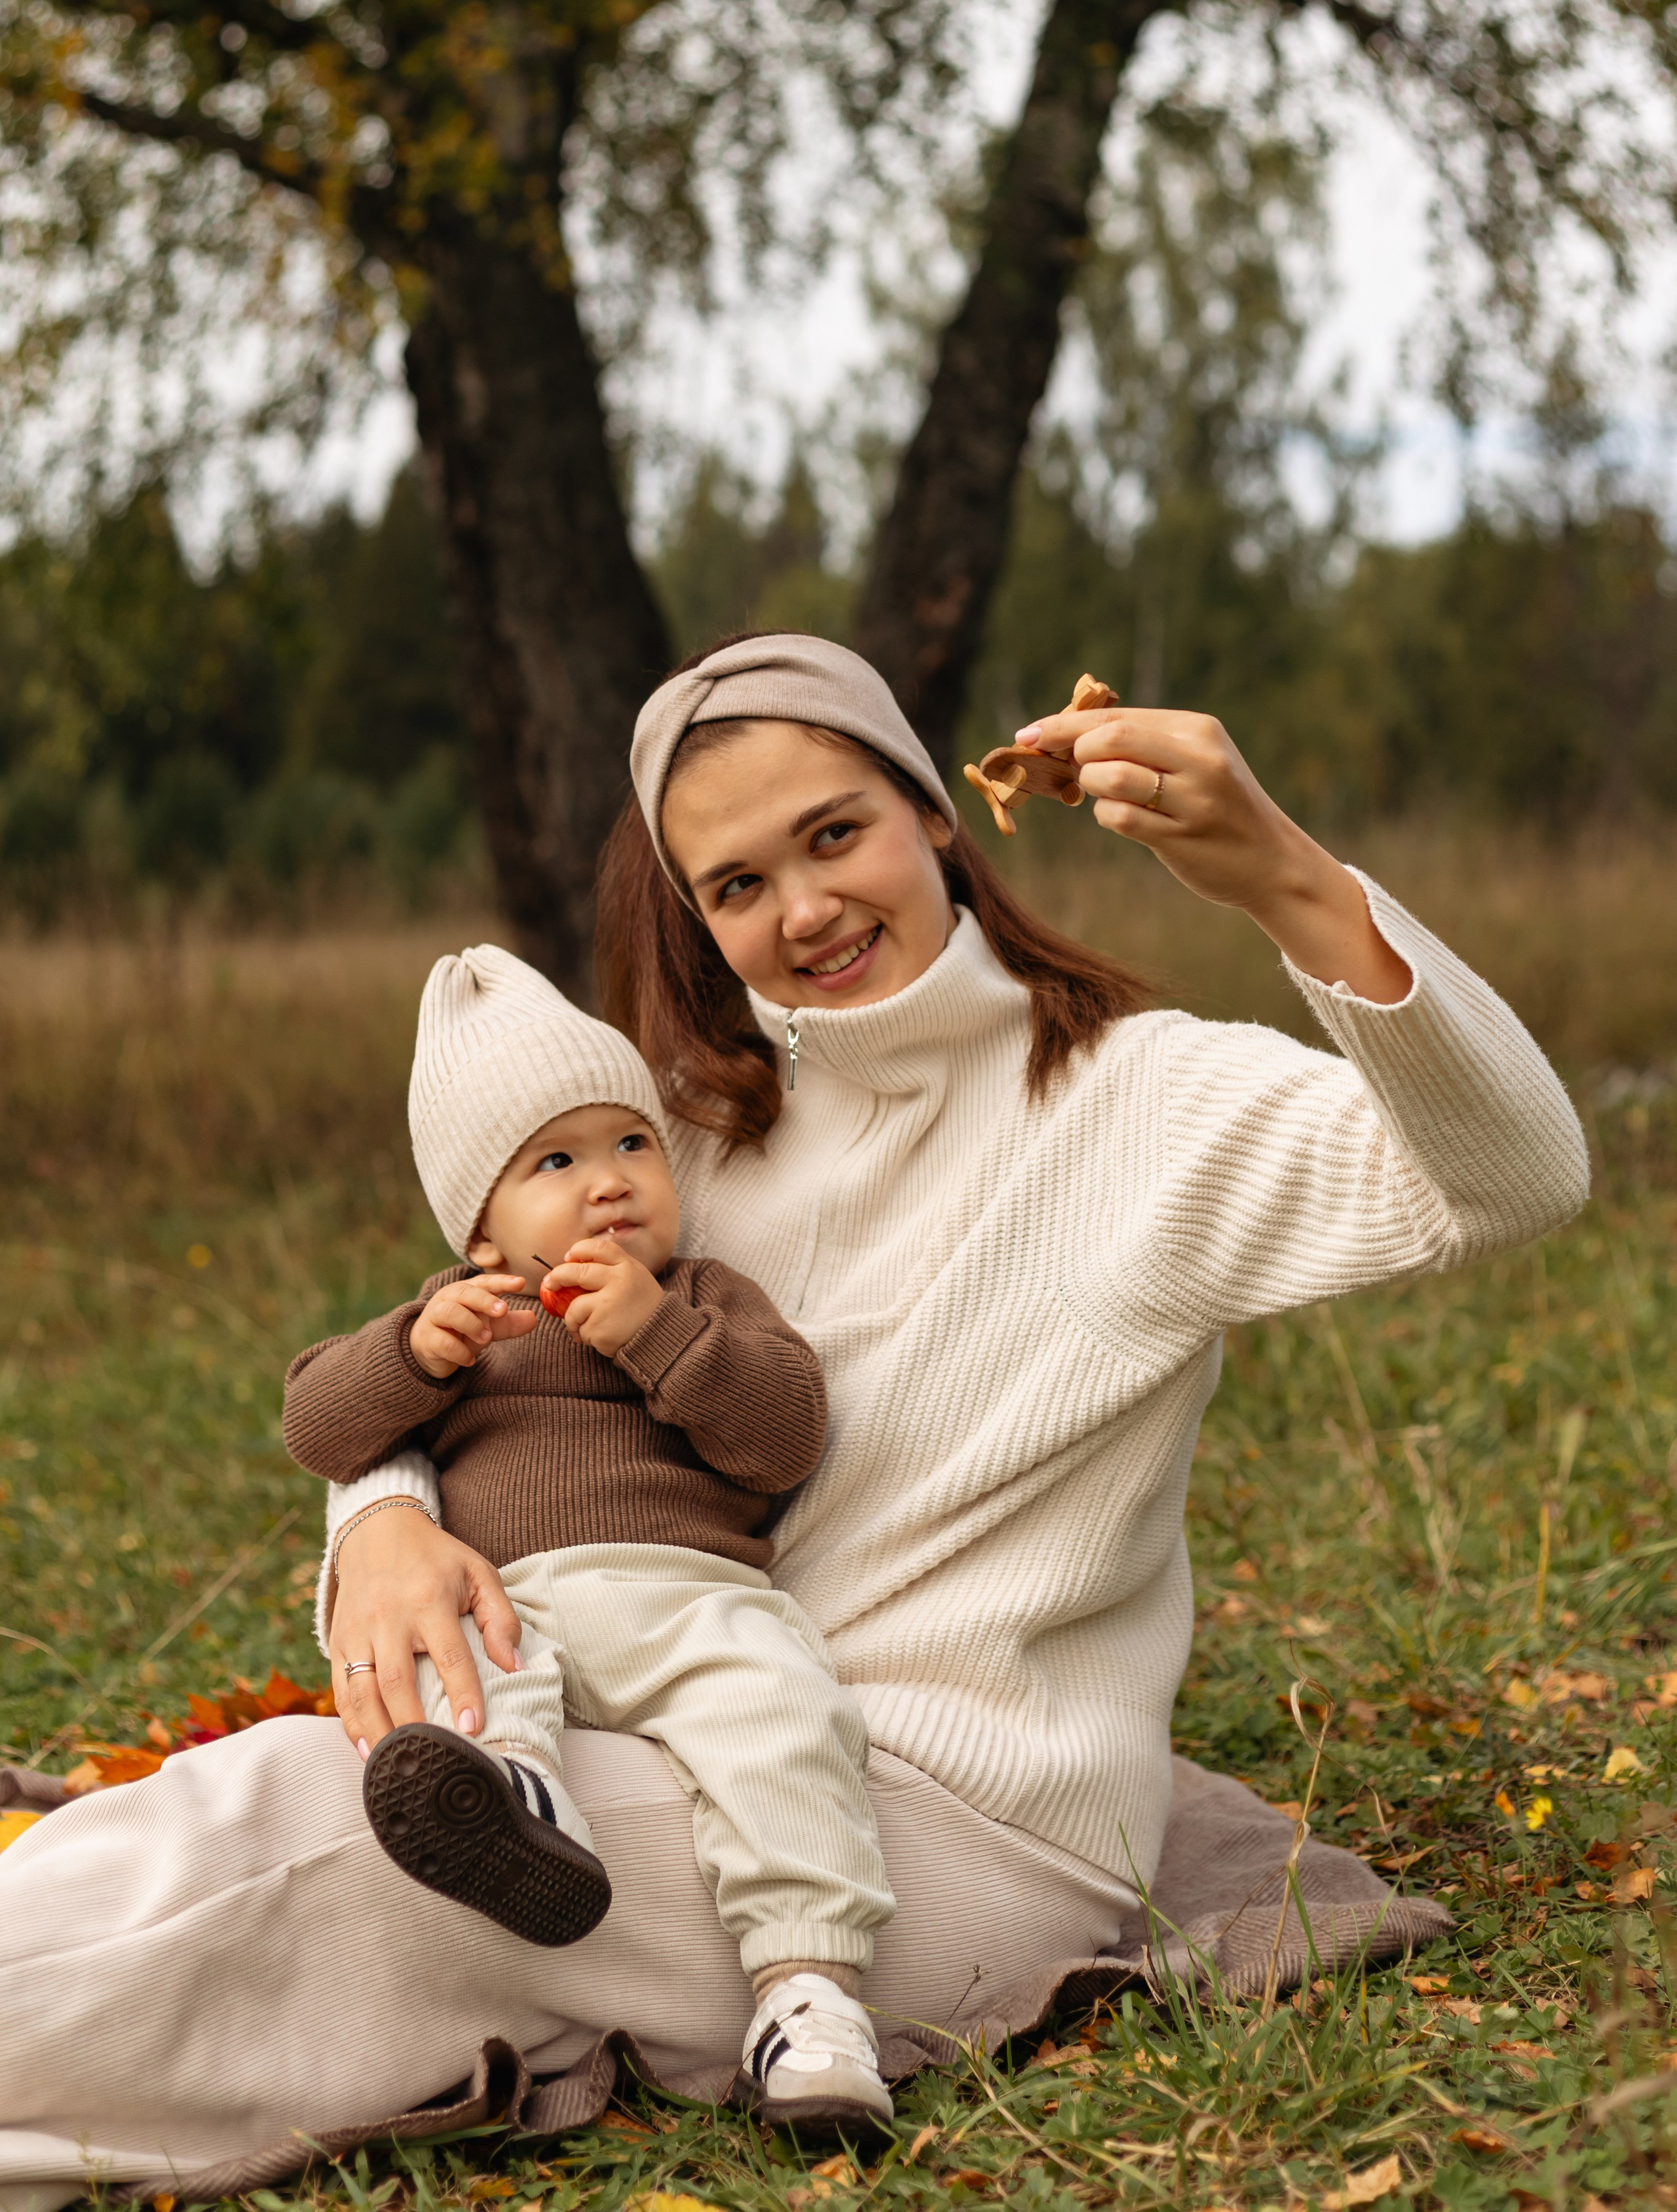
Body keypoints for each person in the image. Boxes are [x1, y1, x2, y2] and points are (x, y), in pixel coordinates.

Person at [0, 634, 1589, 2210]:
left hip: (948, 1831)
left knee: (313, 1835)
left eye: (835, 834)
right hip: (644, 1725)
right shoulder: (690, 1138)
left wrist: (1281, 877)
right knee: (302, 1815)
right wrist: (387, 1524)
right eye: (737, 884)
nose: (806, 909)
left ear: (932, 814)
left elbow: (1514, 1179)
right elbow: (473, 1366)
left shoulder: (1141, 1105)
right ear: (693, 919)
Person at [281, 945, 897, 2134]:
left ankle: (809, 1999)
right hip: (515, 1594)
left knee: (784, 1724)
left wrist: (663, 1336)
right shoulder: (463, 1319)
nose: (610, 1181)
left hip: (693, 1595)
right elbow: (318, 1426)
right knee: (464, 1668)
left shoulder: (708, 1295)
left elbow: (784, 1437)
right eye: (556, 1162)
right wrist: (412, 1351)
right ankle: (515, 1811)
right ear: (479, 1228)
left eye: (632, 1144)